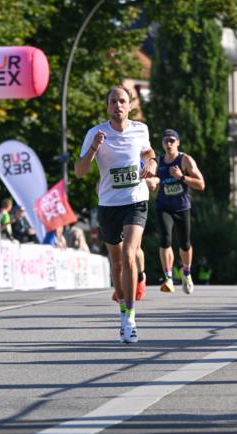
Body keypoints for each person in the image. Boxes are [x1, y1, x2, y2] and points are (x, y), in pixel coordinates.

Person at [75, 85, 157, 344]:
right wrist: (94, 149)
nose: (118, 106)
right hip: (109, 203)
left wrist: (152, 163)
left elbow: (148, 151)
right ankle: (122, 309)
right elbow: (79, 171)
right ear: (107, 106)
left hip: (135, 199)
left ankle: (130, 318)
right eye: (113, 101)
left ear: (130, 105)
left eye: (122, 101)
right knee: (117, 260)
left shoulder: (140, 129)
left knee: (129, 253)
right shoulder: (95, 133)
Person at [155, 129, 205, 295]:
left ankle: (187, 272)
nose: (169, 144)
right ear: (162, 144)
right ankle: (168, 278)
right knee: (165, 240)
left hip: (182, 207)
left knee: (185, 244)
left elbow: (201, 184)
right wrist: (151, 182)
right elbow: (151, 178)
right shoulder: (159, 161)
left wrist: (181, 177)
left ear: (178, 142)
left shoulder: (185, 160)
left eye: (172, 141)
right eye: (166, 141)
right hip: (163, 206)